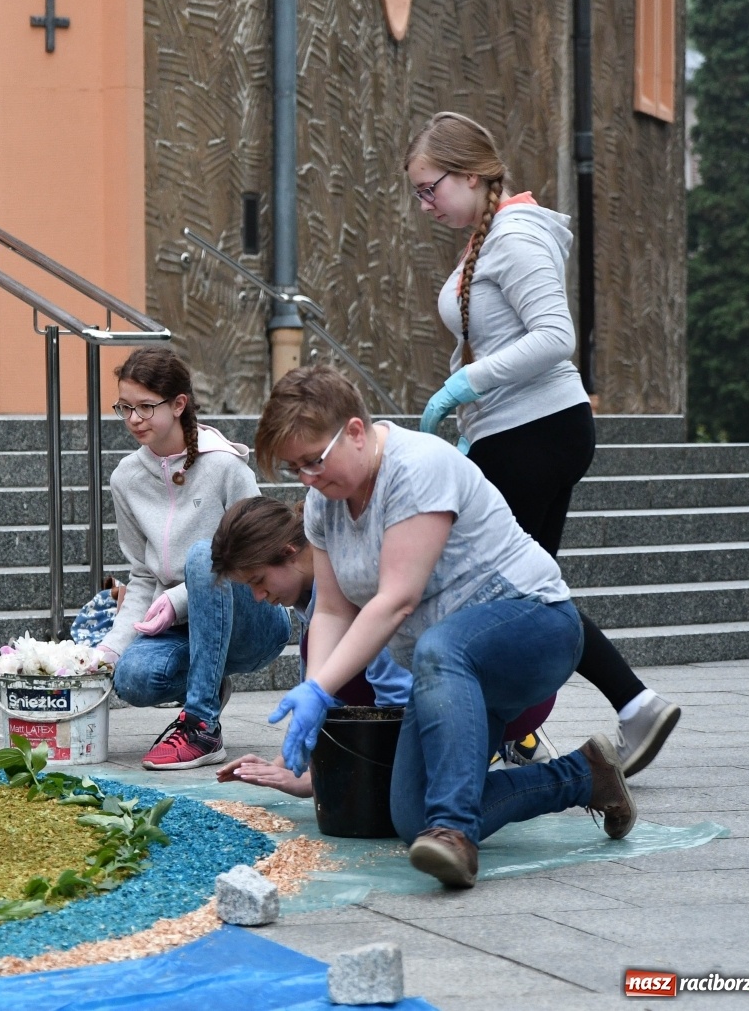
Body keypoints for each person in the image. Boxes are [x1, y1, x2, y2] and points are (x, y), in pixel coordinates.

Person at [256, 367, 634, 889]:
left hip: (536, 628)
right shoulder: (324, 503)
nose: (307, 478)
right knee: (414, 819)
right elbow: (332, 612)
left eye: (313, 460)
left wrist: (320, 688)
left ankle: (456, 834)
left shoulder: (417, 466)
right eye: (294, 468)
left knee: (440, 649)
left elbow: (398, 600)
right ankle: (582, 776)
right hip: (449, 670)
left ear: (356, 431)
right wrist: (316, 691)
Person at [406, 111, 680, 776]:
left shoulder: (515, 234)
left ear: (472, 175)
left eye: (430, 188)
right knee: (527, 594)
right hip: (520, 432)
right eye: (418, 192)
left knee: (513, 593)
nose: (425, 204)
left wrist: (465, 385)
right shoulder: (491, 235)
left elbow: (556, 336)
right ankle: (540, 723)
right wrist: (468, 415)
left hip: (534, 434)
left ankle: (608, 708)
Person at [210, 497, 552, 797]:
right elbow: (318, 698)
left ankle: (566, 775)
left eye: (258, 581)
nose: (257, 597)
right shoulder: (313, 598)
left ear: (289, 553)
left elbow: (398, 709)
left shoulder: (357, 586)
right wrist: (284, 765)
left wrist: (320, 780)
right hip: (463, 688)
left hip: (511, 687)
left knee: (414, 812)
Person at [99, 347, 293, 770]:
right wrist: (107, 652)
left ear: (178, 405)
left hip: (253, 616)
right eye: (125, 407)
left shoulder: (225, 466)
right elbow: (142, 576)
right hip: (185, 629)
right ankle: (208, 684)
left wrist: (178, 599)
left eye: (146, 407)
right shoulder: (126, 478)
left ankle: (202, 726)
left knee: (208, 554)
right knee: (131, 677)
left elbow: (257, 550)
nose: (134, 419)